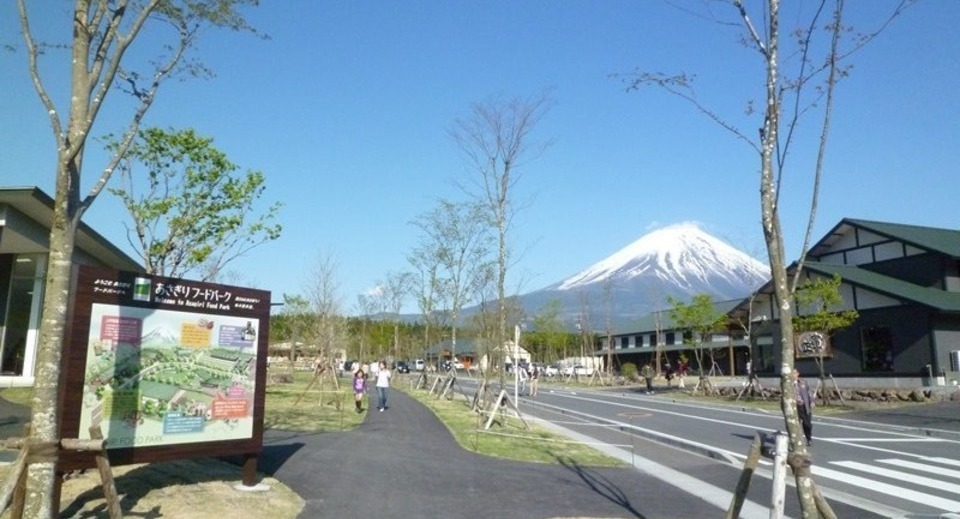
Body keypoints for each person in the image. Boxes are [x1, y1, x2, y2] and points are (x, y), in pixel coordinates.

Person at [792, 368, 814, 446]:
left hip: (804, 406)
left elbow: (809, 393)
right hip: (795, 407)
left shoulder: (803, 383)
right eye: (792, 373)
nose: (793, 375)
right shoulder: (788, 385)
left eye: (794, 373)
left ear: (798, 374)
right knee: (794, 425)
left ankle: (809, 438)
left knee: (807, 424)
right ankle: (795, 442)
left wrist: (812, 401)